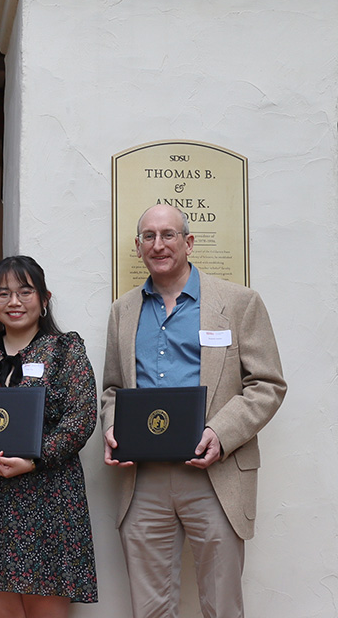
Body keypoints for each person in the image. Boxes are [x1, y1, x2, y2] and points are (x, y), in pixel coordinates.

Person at [102, 203, 286, 618]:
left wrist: (221, 433)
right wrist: (114, 427)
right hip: (143, 479)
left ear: (188, 242)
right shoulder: (123, 311)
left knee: (221, 605)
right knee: (149, 608)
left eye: (168, 235)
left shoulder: (239, 303)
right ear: (137, 247)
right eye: (149, 236)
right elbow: (112, 388)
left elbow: (268, 384)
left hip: (215, 475)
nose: (158, 244)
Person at [0, 255, 98, 617]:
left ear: (44, 299)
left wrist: (35, 457)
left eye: (24, 292)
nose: (14, 302)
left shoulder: (66, 350)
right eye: (3, 293)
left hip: (49, 499)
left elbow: (82, 417)